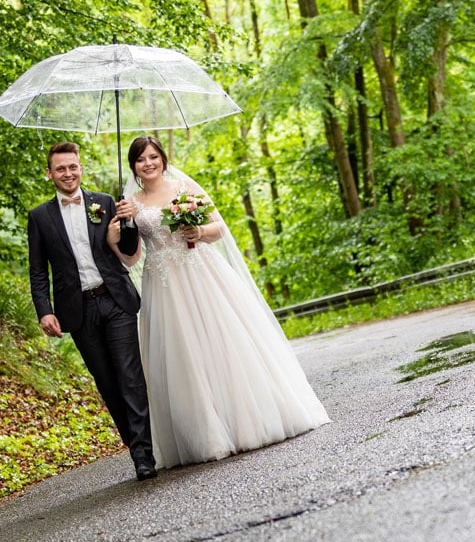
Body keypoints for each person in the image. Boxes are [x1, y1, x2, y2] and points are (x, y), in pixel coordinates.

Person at [108, 135, 330, 470]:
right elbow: (132, 257)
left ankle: (246, 421)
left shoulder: (183, 187)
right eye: (141, 159)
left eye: (153, 156)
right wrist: (115, 240)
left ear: (163, 159)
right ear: (133, 165)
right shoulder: (131, 203)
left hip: (201, 274)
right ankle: (206, 435)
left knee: (223, 342)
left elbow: (218, 228)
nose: (148, 163)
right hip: (162, 284)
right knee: (182, 356)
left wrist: (198, 233)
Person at [27, 141, 157, 481]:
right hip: (78, 310)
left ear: (80, 168)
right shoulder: (39, 217)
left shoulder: (105, 202)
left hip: (115, 299)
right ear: (50, 173)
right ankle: (133, 443)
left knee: (130, 376)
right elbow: (38, 270)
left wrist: (127, 224)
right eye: (60, 169)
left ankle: (144, 456)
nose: (68, 173)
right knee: (107, 382)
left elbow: (128, 252)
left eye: (73, 167)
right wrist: (44, 310)